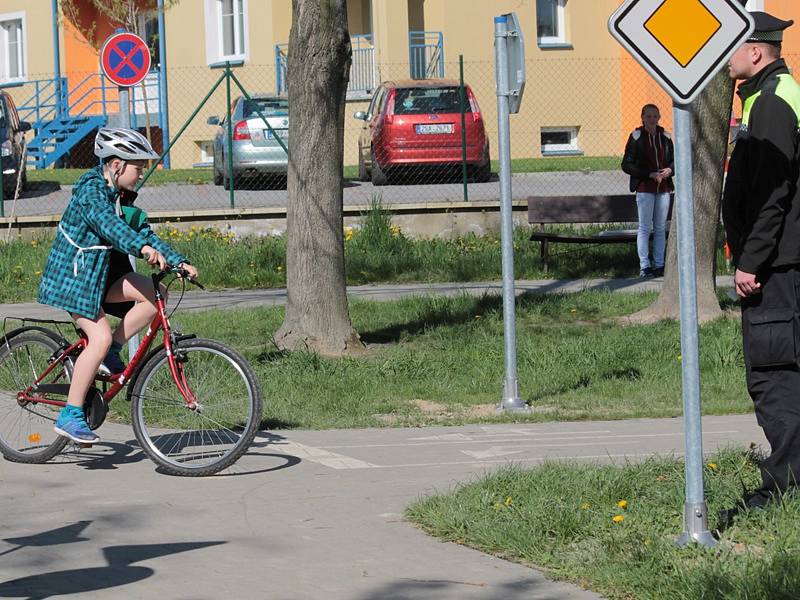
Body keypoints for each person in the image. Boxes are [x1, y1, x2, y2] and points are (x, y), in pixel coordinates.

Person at [37, 128, 198, 444]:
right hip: (75, 279)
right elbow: (110, 228)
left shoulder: (120, 199)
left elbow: (145, 234)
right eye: (137, 166)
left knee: (156, 295)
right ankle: (70, 415)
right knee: (98, 336)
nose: (141, 173)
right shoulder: (91, 194)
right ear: (116, 165)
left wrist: (179, 262)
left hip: (101, 277)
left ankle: (112, 351)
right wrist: (141, 250)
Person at [720, 11, 800, 522]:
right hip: (783, 264)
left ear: (755, 51)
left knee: (774, 377)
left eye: (731, 46)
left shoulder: (771, 103)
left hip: (775, 269)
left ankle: (785, 484)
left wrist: (750, 262)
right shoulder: (772, 96)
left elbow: (774, 192)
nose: (723, 57)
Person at [621, 103, 675, 278]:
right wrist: (649, 174)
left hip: (664, 187)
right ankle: (645, 266)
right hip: (645, 187)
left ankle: (659, 265)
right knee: (645, 227)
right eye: (648, 116)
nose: (652, 119)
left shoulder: (665, 136)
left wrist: (670, 170)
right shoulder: (636, 136)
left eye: (655, 116)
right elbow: (626, 165)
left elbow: (675, 159)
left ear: (659, 118)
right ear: (642, 118)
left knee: (660, 227)